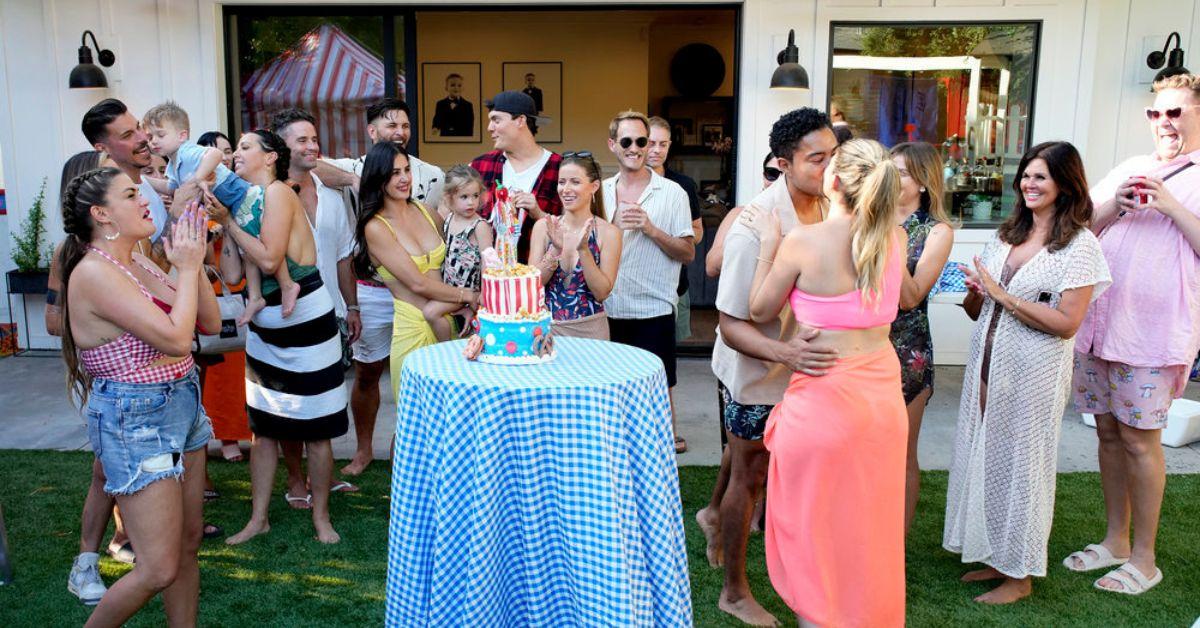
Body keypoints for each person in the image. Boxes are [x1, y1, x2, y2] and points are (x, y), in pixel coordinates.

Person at [743, 138, 907, 626]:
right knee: (868, 527)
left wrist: (769, 248)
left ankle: (818, 618)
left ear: (834, 181)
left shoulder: (803, 242)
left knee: (813, 526)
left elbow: (758, 311)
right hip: (880, 403)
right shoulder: (892, 239)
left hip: (825, 402)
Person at [944, 141, 1110, 604]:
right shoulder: (1008, 234)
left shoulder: (1080, 246)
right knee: (987, 454)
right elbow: (980, 310)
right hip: (986, 364)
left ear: (1065, 184)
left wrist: (1001, 294)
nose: (1029, 184)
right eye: (1026, 175)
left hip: (1034, 373)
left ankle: (1020, 576)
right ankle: (996, 556)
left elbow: (1067, 324)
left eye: (1041, 176)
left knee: (1024, 467)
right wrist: (977, 291)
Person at [58, 167, 219, 625]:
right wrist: (186, 268)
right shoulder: (93, 272)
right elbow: (174, 338)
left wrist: (193, 262)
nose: (146, 199)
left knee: (188, 544)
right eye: (132, 194)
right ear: (101, 214)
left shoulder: (140, 258)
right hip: (136, 417)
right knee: (158, 567)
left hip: (181, 404)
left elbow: (205, 322)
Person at [1064, 73, 1200, 595]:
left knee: (1142, 444)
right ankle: (1115, 542)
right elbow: (1079, 230)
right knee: (1106, 434)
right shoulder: (1131, 167)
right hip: (1100, 326)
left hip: (1152, 333)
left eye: (1175, 112)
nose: (1163, 122)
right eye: (1156, 113)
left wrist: (1169, 204)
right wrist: (1114, 203)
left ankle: (1145, 559)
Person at [701, 108, 837, 626]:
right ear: (783, 163)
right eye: (817, 159)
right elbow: (732, 326)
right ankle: (734, 591)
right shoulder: (753, 227)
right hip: (758, 372)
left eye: (834, 155)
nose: (830, 167)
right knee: (751, 473)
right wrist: (787, 353)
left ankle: (713, 515)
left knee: (754, 462)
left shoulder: (831, 208)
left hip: (809, 371)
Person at [213, 129, 348, 546]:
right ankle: (258, 518)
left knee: (318, 428)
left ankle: (321, 517)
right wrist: (227, 225)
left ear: (271, 156)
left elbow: (271, 258)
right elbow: (234, 274)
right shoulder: (244, 202)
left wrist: (228, 223)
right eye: (236, 148)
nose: (237, 154)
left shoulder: (277, 194)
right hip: (265, 329)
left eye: (246, 147)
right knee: (264, 429)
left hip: (307, 318)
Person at [312, 97, 443, 477]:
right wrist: (361, 180)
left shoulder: (429, 173)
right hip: (370, 288)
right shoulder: (355, 167)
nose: (399, 132)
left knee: (421, 375)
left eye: (404, 125)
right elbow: (311, 166)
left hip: (421, 293)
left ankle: (405, 450)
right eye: (390, 126)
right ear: (372, 131)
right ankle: (364, 449)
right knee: (368, 372)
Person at [270, 108, 362, 502]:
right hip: (284, 314)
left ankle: (321, 478)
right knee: (288, 402)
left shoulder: (331, 196)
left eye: (314, 139)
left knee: (325, 401)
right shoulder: (268, 198)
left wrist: (352, 308)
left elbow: (344, 257)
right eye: (301, 140)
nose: (312, 146)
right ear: (280, 147)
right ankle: (294, 480)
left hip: (330, 314)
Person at [142, 101, 297, 324]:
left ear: (182, 135)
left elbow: (214, 155)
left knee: (259, 242)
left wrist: (199, 178)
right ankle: (255, 297)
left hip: (244, 196)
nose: (153, 141)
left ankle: (288, 285)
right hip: (234, 206)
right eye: (150, 137)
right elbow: (171, 187)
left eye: (160, 135)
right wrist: (143, 180)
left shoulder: (188, 151)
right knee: (249, 249)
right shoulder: (173, 164)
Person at [353, 141, 480, 399]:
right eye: (394, 173)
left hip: (450, 323)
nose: (404, 179)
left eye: (406, 170)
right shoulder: (375, 227)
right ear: (378, 178)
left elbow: (454, 263)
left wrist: (463, 306)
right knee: (412, 428)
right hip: (414, 330)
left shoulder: (426, 211)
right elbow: (417, 284)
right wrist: (469, 296)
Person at [602, 110, 695, 453]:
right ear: (613, 145)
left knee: (657, 391)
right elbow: (590, 247)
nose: (636, 148)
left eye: (642, 141)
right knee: (611, 391)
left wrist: (651, 228)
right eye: (627, 141)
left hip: (653, 308)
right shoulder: (601, 192)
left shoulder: (673, 194)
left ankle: (660, 452)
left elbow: (687, 252)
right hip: (609, 306)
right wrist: (612, 222)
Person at [889, 142, 955, 535]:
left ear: (924, 183)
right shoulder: (865, 217)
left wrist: (891, 242)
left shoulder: (937, 232)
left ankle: (894, 543)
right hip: (861, 347)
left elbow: (912, 296)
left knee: (901, 454)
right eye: (889, 169)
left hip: (906, 352)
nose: (891, 178)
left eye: (901, 172)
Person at [529, 151, 622, 339]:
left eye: (575, 182)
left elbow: (602, 292)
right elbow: (532, 285)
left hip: (592, 331)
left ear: (594, 186)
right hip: (546, 329)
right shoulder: (544, 227)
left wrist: (584, 250)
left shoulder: (609, 233)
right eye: (562, 182)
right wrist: (555, 250)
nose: (566, 189)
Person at [471, 90, 562, 263]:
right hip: (488, 283)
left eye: (496, 120)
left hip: (539, 283)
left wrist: (539, 214)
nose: (490, 128)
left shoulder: (559, 169)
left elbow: (574, 230)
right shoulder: (478, 167)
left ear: (520, 120)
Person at [646, 116, 703, 343]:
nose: (657, 150)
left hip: (675, 284)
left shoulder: (683, 185)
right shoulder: (621, 186)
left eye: (664, 144)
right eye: (651, 143)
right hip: (633, 289)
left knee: (669, 351)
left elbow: (697, 232)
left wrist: (673, 238)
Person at [424, 164, 492, 338]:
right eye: (464, 197)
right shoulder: (449, 219)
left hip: (470, 291)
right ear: (449, 197)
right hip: (450, 290)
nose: (471, 202)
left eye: (475, 196)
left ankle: (446, 349)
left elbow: (488, 261)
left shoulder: (479, 226)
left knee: (431, 312)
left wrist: (484, 294)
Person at [705, 153, 779, 278]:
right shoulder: (739, 214)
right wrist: (748, 234)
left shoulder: (802, 220)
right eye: (772, 174)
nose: (778, 182)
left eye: (786, 176)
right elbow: (711, 267)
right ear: (763, 176)